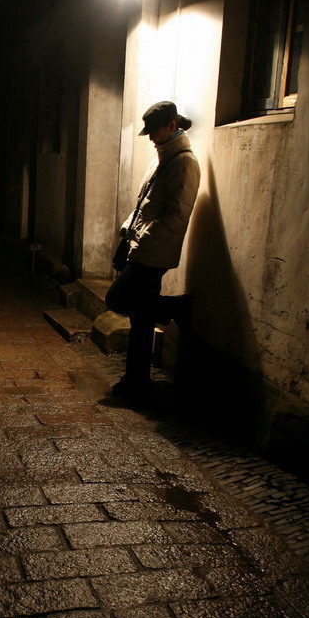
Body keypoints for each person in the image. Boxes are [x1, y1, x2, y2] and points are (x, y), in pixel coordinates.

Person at [105, 100, 200, 403]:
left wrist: (142, 241)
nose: (151, 137)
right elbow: (144, 203)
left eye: (155, 131)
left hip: (153, 253)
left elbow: (175, 216)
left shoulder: (184, 162)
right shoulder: (161, 157)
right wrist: (127, 232)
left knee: (118, 298)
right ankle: (136, 380)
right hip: (142, 247)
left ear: (172, 126)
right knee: (141, 318)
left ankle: (175, 308)